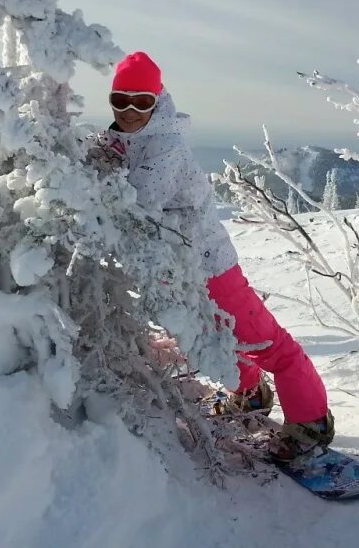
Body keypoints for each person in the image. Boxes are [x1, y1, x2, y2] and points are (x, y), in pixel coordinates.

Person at [89, 51, 334, 460]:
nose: (130, 111)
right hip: (179, 269)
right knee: (214, 335)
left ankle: (311, 424)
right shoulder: (124, 137)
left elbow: (136, 205)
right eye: (121, 101)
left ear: (157, 100)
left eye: (142, 102)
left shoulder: (164, 148)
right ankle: (250, 394)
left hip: (210, 265)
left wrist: (98, 176)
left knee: (265, 342)